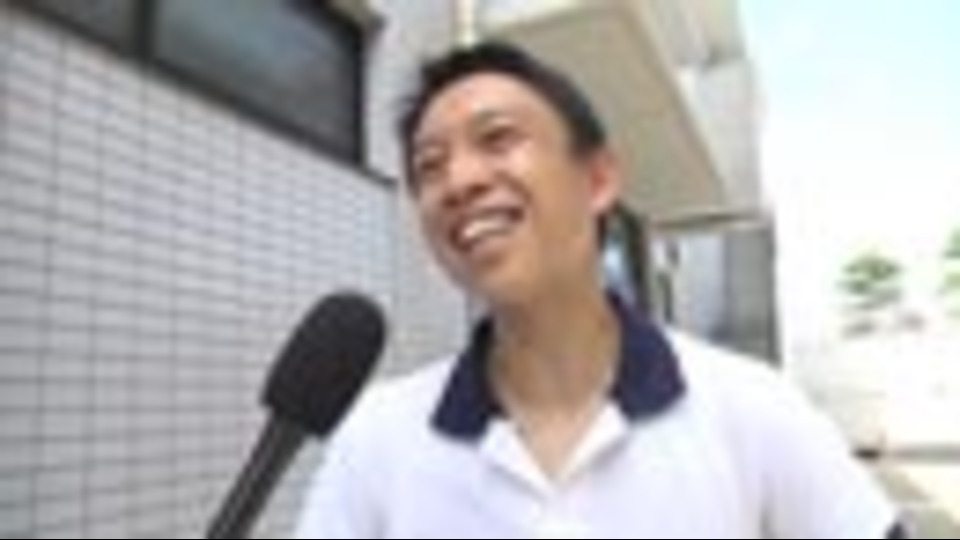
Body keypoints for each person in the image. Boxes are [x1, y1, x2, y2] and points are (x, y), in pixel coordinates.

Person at [295, 41, 903, 539]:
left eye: (497, 138)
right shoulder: (378, 439)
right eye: (429, 166)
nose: (459, 180)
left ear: (598, 180)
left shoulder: (752, 408)